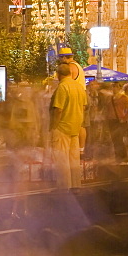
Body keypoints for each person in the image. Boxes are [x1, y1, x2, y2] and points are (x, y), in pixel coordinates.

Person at [50, 61, 87, 189]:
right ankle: (76, 185)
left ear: (59, 75)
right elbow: (83, 107)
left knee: (62, 160)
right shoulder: (79, 87)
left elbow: (58, 110)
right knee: (74, 160)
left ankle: (64, 187)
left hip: (62, 128)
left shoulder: (62, 87)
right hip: (75, 128)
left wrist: (54, 126)